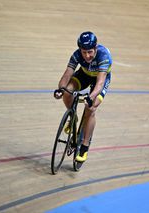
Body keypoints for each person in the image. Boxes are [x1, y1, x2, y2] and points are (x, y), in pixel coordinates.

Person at [54, 31, 112, 162]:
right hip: (84, 75)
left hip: (99, 79)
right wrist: (61, 89)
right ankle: (73, 117)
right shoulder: (76, 55)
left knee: (90, 109)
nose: (87, 56)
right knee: (68, 90)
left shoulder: (104, 56)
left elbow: (100, 83)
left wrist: (90, 97)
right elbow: (67, 75)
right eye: (83, 52)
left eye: (90, 52)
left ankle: (85, 146)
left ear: (95, 48)